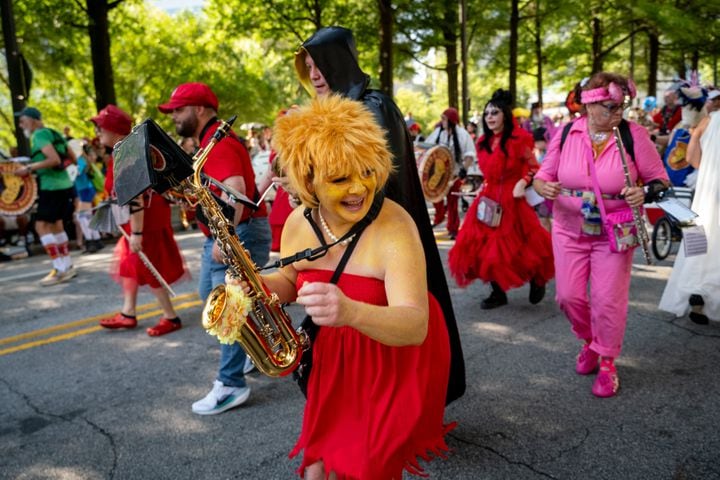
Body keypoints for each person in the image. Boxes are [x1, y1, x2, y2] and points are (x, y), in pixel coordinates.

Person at [245, 94, 453, 479]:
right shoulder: (297, 223)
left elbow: (415, 325)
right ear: (308, 180)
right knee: (318, 465)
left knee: (365, 467)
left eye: (367, 172)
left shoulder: (395, 225)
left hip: (395, 355)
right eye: (340, 179)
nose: (360, 189)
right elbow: (291, 281)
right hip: (333, 355)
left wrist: (350, 310)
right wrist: (254, 285)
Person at [295, 25, 466, 405]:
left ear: (339, 62)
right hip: (355, 240)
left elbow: (361, 181)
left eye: (320, 62)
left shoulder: (373, 106)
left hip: (386, 236)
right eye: (308, 65)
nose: (314, 74)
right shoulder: (339, 112)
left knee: (397, 324)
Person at [533, 72, 669, 398]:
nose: (618, 112)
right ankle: (589, 342)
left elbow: (660, 181)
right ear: (589, 107)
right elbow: (542, 176)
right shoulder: (567, 132)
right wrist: (543, 186)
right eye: (610, 106)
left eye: (621, 105)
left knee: (607, 300)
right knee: (568, 297)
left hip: (615, 231)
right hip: (568, 229)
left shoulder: (634, 135)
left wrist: (644, 194)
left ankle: (607, 360)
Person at [158, 82, 271, 414]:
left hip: (238, 232)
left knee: (229, 308)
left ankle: (231, 384)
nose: (174, 117)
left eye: (179, 110)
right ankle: (255, 347)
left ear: (200, 110)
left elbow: (234, 190)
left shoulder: (217, 143)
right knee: (210, 294)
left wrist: (226, 239)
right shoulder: (209, 140)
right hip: (229, 233)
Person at [448, 89, 553, 310]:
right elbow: (488, 173)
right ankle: (497, 292)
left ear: (505, 114)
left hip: (512, 199)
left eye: (494, 112)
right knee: (481, 247)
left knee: (519, 246)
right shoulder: (483, 141)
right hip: (488, 199)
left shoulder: (519, 139)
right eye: (487, 114)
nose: (490, 117)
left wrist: (522, 182)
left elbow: (535, 167)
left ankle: (537, 277)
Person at [94, 105, 188, 336]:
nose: (98, 133)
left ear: (114, 129)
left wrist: (137, 233)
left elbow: (135, 194)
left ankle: (170, 316)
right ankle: (128, 312)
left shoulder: (126, 153)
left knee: (147, 265)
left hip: (145, 221)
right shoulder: (125, 150)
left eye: (100, 128)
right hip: (142, 219)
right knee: (131, 265)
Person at [659, 110, 720, 324]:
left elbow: (693, 159)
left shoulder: (709, 119)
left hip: (708, 193)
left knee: (699, 243)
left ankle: (697, 297)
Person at [14, 106, 77, 285]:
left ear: (32, 120)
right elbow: (71, 157)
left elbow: (54, 160)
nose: (21, 125)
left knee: (41, 226)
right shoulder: (54, 133)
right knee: (57, 225)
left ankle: (59, 269)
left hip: (51, 187)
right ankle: (67, 266)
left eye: (23, 121)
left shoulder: (39, 135)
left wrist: (28, 168)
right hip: (65, 185)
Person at [424, 107, 477, 239]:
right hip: (439, 174)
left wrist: (464, 169)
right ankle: (439, 216)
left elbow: (469, 154)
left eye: (444, 119)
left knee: (453, 202)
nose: (442, 121)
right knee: (435, 197)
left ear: (451, 120)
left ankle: (453, 229)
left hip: (454, 174)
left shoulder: (463, 134)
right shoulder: (438, 133)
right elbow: (428, 147)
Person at [662, 83, 707, 188]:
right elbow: (670, 145)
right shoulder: (679, 126)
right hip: (671, 180)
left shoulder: (707, 128)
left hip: (691, 183)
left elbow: (697, 161)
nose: (686, 110)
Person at [74, 143, 104, 254]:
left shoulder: (80, 160)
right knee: (87, 216)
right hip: (85, 190)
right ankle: (96, 240)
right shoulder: (81, 160)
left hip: (85, 189)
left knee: (81, 217)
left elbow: (78, 172)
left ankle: (91, 242)